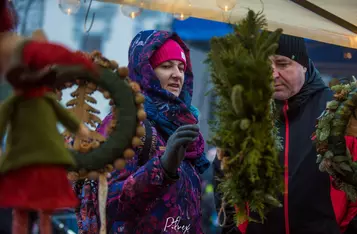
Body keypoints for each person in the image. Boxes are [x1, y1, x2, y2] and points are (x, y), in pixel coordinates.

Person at [213, 35, 357, 234]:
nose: (273, 75)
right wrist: (233, 230)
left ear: (304, 65)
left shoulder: (338, 111)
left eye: (282, 64)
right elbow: (223, 176)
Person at [74, 30, 210, 234]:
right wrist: (161, 169)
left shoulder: (183, 130)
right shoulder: (126, 125)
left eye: (181, 67)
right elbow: (108, 202)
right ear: (145, 71)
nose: (177, 74)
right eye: (166, 66)